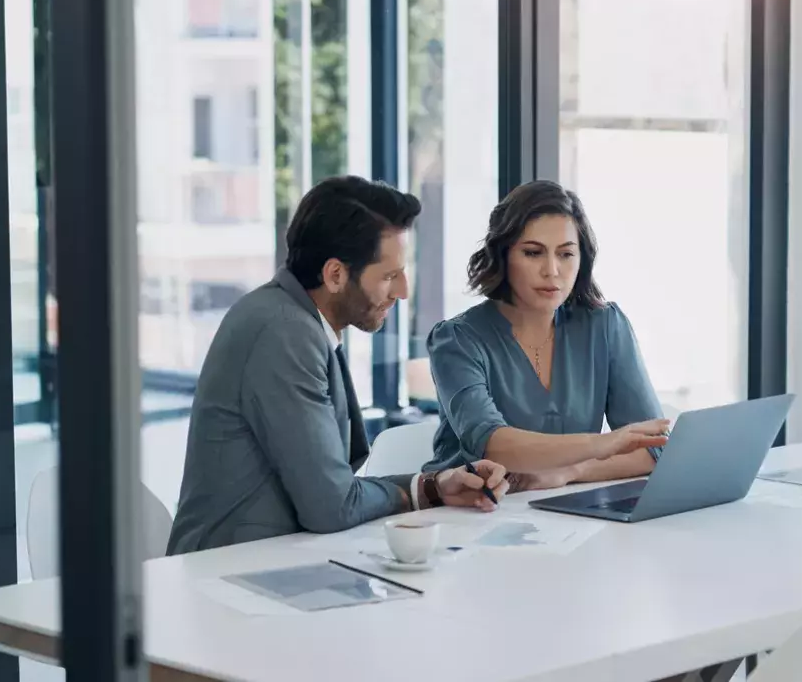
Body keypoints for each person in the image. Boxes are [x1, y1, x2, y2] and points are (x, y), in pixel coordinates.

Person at [167, 176, 510, 556]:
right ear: (335, 275)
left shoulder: (295, 320)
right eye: (389, 276)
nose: (403, 292)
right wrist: (420, 491)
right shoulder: (283, 333)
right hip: (230, 573)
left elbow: (334, 490)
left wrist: (432, 486)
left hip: (277, 560)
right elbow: (331, 506)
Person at [423, 180, 669, 492]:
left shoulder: (605, 325)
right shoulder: (457, 340)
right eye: (533, 253)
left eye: (566, 254)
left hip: (565, 513)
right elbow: (492, 444)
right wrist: (604, 444)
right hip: (468, 512)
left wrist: (570, 471)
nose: (552, 270)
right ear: (502, 255)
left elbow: (653, 448)